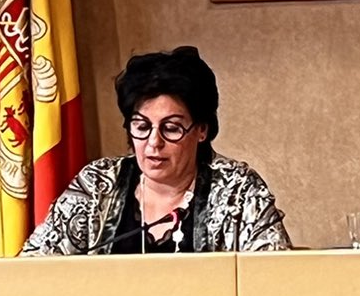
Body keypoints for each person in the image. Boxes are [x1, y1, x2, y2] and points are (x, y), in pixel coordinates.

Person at [22, 47, 291, 254]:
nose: (154, 142)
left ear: (201, 130)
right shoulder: (97, 185)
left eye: (171, 128)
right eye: (141, 126)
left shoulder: (239, 191)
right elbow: (33, 270)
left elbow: (273, 279)